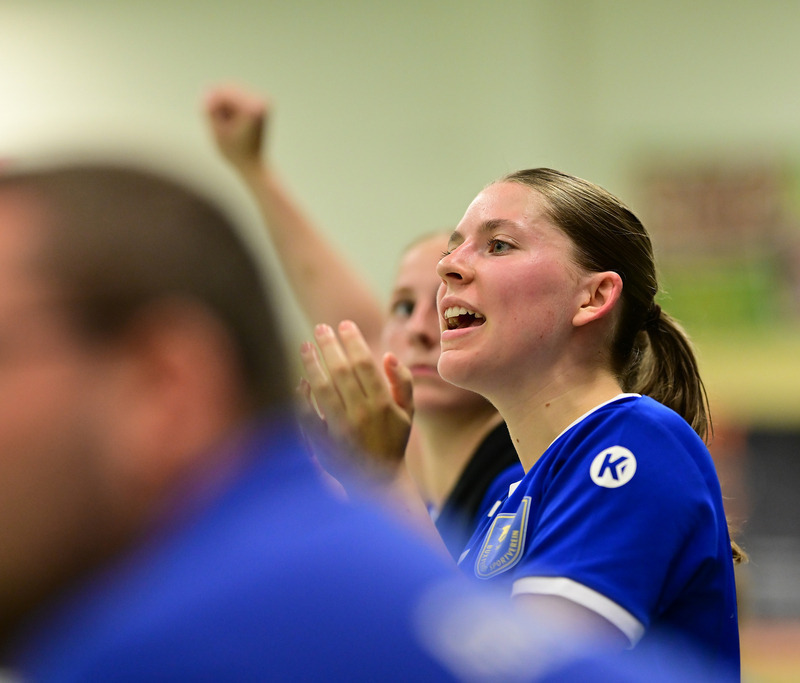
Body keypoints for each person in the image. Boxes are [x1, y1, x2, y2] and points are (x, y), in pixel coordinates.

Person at [0, 160, 514, 681]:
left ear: (162, 387)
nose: (423, 330)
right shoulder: (309, 549)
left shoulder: (167, 652)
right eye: (403, 308)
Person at [302, 167, 742, 679]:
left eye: (498, 245)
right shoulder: (508, 503)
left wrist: (382, 477)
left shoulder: (637, 439)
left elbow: (526, 672)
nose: (448, 267)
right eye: (454, 248)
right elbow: (446, 653)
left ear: (593, 297)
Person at [204, 86, 522, 557]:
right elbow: (348, 318)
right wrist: (253, 167)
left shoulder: (521, 477)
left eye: (452, 311)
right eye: (402, 307)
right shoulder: (410, 466)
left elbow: (447, 602)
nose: (420, 330)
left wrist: (379, 474)